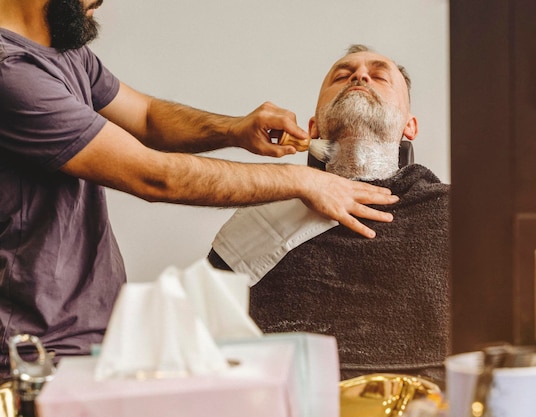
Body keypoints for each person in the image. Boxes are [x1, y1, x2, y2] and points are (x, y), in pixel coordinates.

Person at [0, 1, 400, 375]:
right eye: (344, 74)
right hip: (29, 351)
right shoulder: (10, 72)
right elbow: (154, 175)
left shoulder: (62, 49)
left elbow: (147, 117)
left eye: (379, 74)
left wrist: (235, 129)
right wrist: (302, 180)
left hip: (92, 338)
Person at [209, 45, 450, 384]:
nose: (360, 76)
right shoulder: (261, 222)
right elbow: (209, 348)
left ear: (409, 126)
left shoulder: (455, 214)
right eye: (342, 75)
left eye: (378, 75)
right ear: (314, 127)